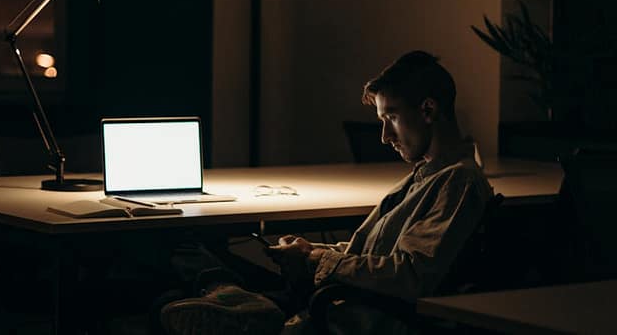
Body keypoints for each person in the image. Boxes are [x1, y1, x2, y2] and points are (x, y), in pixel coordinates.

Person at [159, 51, 494, 334]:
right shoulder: (426, 176)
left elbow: (409, 275)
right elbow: (372, 252)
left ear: (428, 110)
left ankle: (236, 300)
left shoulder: (458, 182)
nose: (384, 136)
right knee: (184, 245)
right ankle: (229, 294)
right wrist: (312, 251)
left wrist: (323, 261)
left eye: (391, 117)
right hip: (335, 292)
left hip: (345, 308)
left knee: (179, 273)